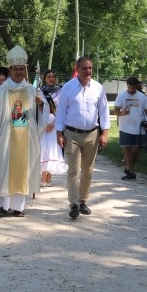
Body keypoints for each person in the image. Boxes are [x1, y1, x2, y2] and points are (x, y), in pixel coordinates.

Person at [0, 46, 41, 217]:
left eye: (21, 69)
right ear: (10, 70)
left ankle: (19, 207)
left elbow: (41, 115)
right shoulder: (1, 91)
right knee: (5, 169)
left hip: (26, 136)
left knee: (23, 170)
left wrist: (40, 105)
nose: (19, 72)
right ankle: (4, 205)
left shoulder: (31, 90)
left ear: (25, 70)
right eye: (15, 69)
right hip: (6, 137)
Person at [55, 56, 110, 220]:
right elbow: (61, 112)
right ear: (77, 69)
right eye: (85, 68)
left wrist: (105, 133)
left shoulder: (98, 88)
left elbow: (104, 112)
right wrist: (59, 133)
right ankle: (73, 204)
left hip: (92, 134)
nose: (88, 71)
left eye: (90, 68)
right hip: (71, 134)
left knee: (88, 171)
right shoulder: (68, 88)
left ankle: (83, 201)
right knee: (73, 170)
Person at [114, 76, 147, 181]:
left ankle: (128, 167)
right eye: (129, 87)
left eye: (133, 88)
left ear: (137, 86)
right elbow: (116, 111)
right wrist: (122, 113)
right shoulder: (121, 96)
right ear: (127, 86)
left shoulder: (142, 97)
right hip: (125, 127)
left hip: (138, 127)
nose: (131, 90)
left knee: (137, 149)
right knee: (127, 149)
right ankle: (131, 172)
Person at [37, 69, 67, 186]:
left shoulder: (60, 92)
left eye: (53, 76)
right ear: (45, 78)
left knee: (52, 149)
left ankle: (49, 177)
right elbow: (37, 110)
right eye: (49, 76)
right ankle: (43, 176)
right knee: (43, 149)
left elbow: (61, 110)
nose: (51, 79)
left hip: (55, 124)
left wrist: (54, 123)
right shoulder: (39, 91)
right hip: (43, 124)